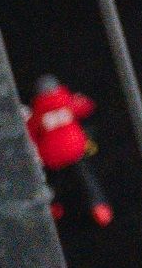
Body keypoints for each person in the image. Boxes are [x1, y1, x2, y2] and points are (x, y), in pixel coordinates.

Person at [27, 77, 110, 228]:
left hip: (52, 156)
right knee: (86, 178)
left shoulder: (38, 112)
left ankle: (53, 207)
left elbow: (31, 131)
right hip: (74, 150)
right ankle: (98, 206)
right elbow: (87, 107)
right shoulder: (67, 101)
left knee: (54, 181)